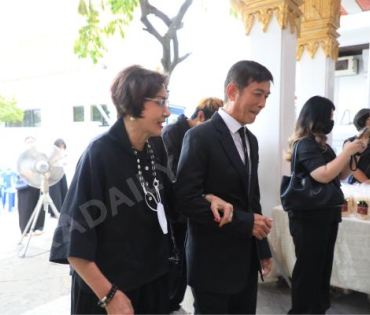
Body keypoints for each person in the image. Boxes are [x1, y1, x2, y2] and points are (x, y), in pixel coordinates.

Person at [49, 65, 230, 315]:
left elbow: (167, 199)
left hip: (151, 283)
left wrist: (206, 198)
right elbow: (72, 240)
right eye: (160, 102)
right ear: (132, 104)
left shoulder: (155, 145)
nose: (167, 111)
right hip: (108, 293)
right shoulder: (99, 154)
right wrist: (109, 296)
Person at [174, 60, 274, 314]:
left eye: (266, 96)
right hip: (212, 263)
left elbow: (252, 199)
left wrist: (262, 247)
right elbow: (185, 199)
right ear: (232, 91)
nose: (263, 103)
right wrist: (244, 222)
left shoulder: (250, 140)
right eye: (258, 94)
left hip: (245, 262)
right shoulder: (199, 136)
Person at [284, 96, 366, 314]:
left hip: (326, 213)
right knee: (308, 268)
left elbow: (339, 174)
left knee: (321, 267)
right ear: (317, 116)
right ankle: (303, 310)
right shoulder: (305, 144)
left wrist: (353, 154)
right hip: (309, 215)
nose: (332, 120)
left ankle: (317, 309)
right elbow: (322, 175)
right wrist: (347, 151)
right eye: (330, 116)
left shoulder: (322, 145)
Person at [162, 97, 223, 314]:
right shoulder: (171, 132)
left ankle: (174, 302)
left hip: (192, 207)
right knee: (176, 260)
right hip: (175, 211)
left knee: (183, 262)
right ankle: (169, 303)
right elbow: (175, 175)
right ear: (200, 116)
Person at [17, 137, 44, 234]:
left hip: (37, 184)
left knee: (38, 205)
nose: (30, 143)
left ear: (35, 143)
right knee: (25, 207)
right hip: (25, 185)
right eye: (28, 142)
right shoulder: (21, 156)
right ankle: (25, 229)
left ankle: (38, 227)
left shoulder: (40, 155)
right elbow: (19, 169)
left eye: (32, 141)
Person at [344, 108, 370, 184]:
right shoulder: (350, 142)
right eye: (369, 119)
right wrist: (366, 183)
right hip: (358, 185)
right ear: (361, 122)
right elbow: (352, 168)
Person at [49, 138, 68, 217]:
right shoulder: (53, 150)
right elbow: (49, 161)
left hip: (61, 170)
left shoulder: (61, 151)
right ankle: (55, 211)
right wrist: (59, 157)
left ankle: (63, 208)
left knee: (63, 190)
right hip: (54, 171)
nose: (62, 146)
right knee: (56, 192)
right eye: (61, 144)